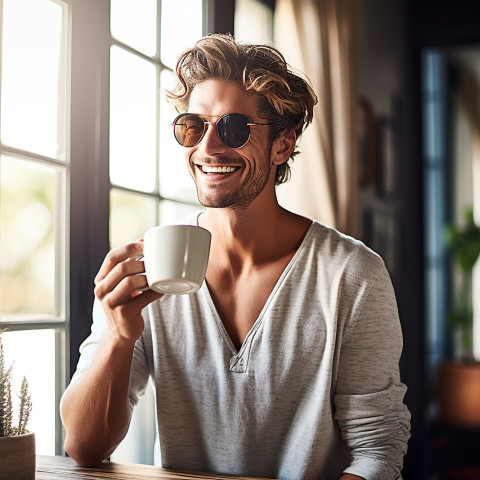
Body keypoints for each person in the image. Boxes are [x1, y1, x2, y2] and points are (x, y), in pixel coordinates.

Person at [60, 33, 410, 480]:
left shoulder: (352, 275)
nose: (207, 148)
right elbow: (83, 449)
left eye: (233, 128)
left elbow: (378, 451)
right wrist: (117, 336)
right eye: (193, 126)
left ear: (282, 144)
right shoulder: (147, 273)